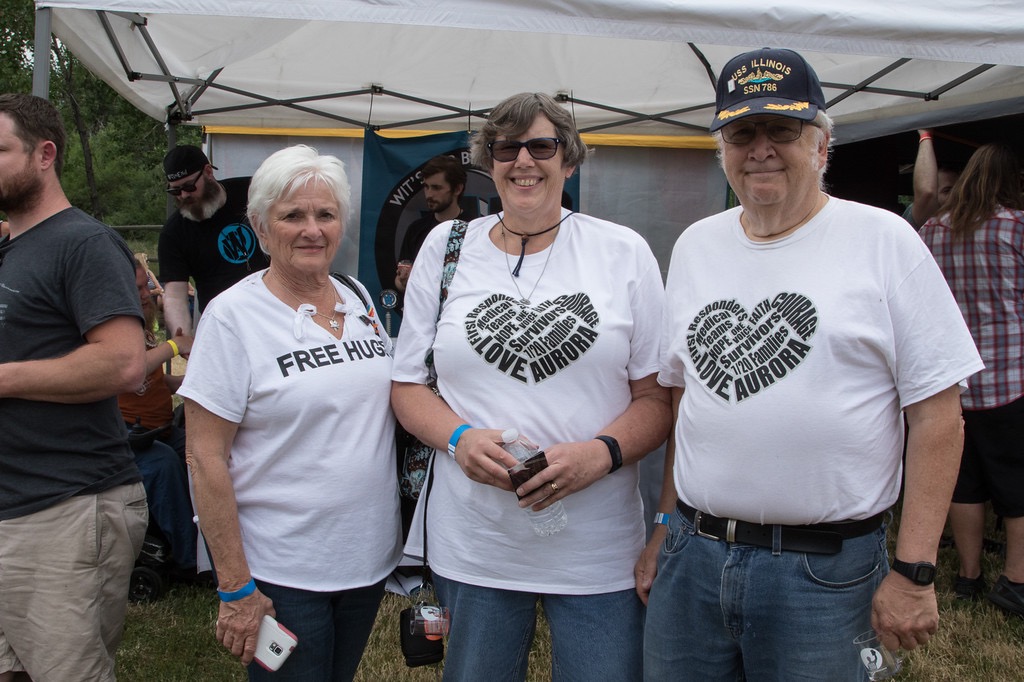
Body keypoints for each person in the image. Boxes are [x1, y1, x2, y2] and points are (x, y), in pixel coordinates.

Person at [637, 48, 984, 680]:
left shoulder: (884, 240)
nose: (760, 149)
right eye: (741, 133)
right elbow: (688, 400)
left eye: (781, 130)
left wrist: (914, 571)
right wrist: (663, 525)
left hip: (825, 574)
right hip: (694, 554)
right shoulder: (695, 246)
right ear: (722, 150)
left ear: (822, 146)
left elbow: (938, 417)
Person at [392, 92, 670, 681]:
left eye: (542, 146)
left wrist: (601, 454)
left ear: (568, 160)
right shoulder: (446, 248)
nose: (524, 160)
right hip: (475, 541)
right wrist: (460, 439)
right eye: (506, 148)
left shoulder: (622, 251)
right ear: (488, 162)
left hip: (596, 546)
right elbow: (407, 385)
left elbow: (656, 398)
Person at [180, 144, 401, 681]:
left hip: (367, 559)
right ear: (260, 225)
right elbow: (204, 457)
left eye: (326, 214)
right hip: (282, 570)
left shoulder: (356, 298)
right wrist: (235, 586)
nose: (312, 230)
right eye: (292, 216)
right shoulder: (232, 317)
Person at [0, 93, 148, 681]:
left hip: (64, 505)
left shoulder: (82, 243)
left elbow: (123, 363)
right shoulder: (14, 248)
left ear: (44, 155)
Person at [919, 143, 1024, 612]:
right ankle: (1016, 582)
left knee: (964, 482)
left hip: (954, 380)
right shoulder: (1016, 227)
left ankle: (968, 576)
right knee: (1016, 483)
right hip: (1011, 379)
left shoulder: (932, 231)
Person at [119, 258, 197, 572]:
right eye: (137, 288)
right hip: (128, 436)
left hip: (160, 428)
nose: (146, 294)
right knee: (163, 465)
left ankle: (213, 539)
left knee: (201, 449)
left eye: (146, 286)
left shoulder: (143, 327)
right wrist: (175, 346)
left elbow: (154, 379)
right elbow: (133, 372)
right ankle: (190, 561)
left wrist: (185, 382)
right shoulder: (114, 331)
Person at [158, 145, 269, 335]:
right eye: (175, 191)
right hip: (225, 326)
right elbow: (175, 296)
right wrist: (182, 337)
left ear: (208, 172)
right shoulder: (174, 232)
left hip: (275, 311)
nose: (184, 195)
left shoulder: (252, 193)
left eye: (189, 186)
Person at [394, 154, 467, 293]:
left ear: (457, 189)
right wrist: (403, 280)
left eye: (436, 188)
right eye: (426, 187)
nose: (429, 194)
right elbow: (400, 280)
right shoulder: (416, 229)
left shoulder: (474, 228)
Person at [903, 129, 961, 229]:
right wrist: (925, 135)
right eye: (947, 190)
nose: (957, 195)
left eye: (960, 188)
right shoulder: (925, 217)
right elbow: (926, 193)